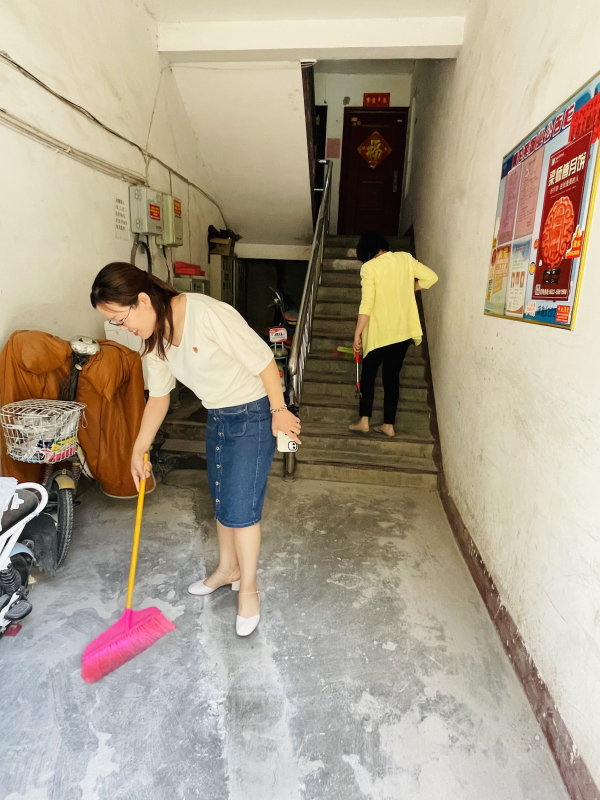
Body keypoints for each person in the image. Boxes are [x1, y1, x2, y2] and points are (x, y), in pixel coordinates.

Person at [90, 263, 301, 637]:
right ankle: (227, 569)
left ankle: (249, 589)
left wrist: (279, 410)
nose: (123, 328)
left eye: (121, 319)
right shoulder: (155, 340)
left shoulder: (205, 314)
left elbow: (264, 360)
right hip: (218, 415)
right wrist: (139, 449)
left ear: (143, 301)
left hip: (253, 415)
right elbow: (159, 397)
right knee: (221, 499)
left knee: (242, 509)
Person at [349, 231, 438, 438]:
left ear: (366, 251)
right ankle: (388, 425)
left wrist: (357, 332)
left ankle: (364, 421)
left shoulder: (369, 268)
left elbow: (367, 303)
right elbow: (431, 277)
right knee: (391, 377)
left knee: (369, 375)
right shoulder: (405, 258)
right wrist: (410, 288)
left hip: (378, 334)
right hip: (402, 333)